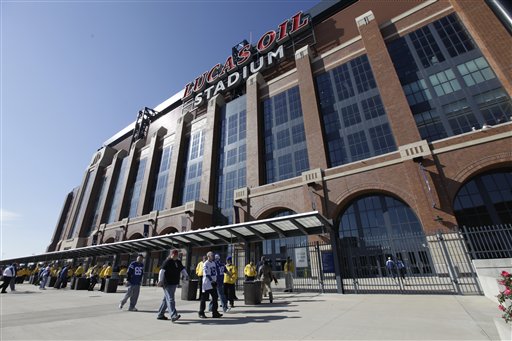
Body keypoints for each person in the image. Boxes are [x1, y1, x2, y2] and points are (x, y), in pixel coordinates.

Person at [156, 249, 189, 322]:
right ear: (171, 254)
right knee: (171, 299)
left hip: (174, 283)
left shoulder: (178, 261)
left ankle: (160, 314)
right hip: (167, 283)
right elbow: (162, 271)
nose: (175, 256)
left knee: (166, 299)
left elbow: (182, 269)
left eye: (176, 255)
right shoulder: (167, 261)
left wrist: (186, 275)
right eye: (174, 255)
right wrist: (160, 280)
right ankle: (173, 315)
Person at [198, 251, 222, 319]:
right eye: (212, 255)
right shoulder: (206, 264)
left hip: (213, 284)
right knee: (204, 298)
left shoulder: (213, 263)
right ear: (208, 256)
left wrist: (215, 280)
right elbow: (206, 273)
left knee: (215, 297)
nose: (213, 256)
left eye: (213, 255)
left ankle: (215, 312)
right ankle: (201, 312)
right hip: (207, 284)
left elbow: (215, 273)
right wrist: (211, 280)